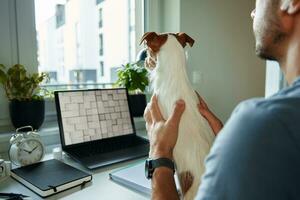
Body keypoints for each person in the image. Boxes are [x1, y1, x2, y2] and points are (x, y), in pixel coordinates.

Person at [143, 0, 300, 199]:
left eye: (259, 1)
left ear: (292, 2)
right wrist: (233, 146)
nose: (252, 12)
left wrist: (159, 153)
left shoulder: (266, 122)